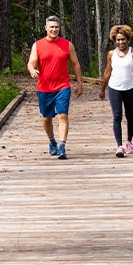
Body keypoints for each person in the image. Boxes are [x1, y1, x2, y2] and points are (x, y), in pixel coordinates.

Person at [27, 16, 84, 159]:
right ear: (46, 28)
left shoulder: (67, 45)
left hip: (62, 86)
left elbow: (75, 64)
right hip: (44, 87)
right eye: (51, 27)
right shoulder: (38, 45)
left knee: (63, 115)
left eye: (56, 27)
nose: (54, 29)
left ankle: (62, 146)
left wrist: (80, 83)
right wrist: (32, 70)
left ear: (59, 29)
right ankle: (52, 141)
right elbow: (31, 62)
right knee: (46, 118)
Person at [98, 24, 133, 158]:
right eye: (118, 40)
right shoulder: (111, 54)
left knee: (130, 116)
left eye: (123, 39)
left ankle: (129, 142)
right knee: (117, 116)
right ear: (114, 40)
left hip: (130, 88)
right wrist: (103, 89)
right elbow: (107, 72)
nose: (120, 42)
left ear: (127, 39)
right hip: (114, 88)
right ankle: (119, 146)